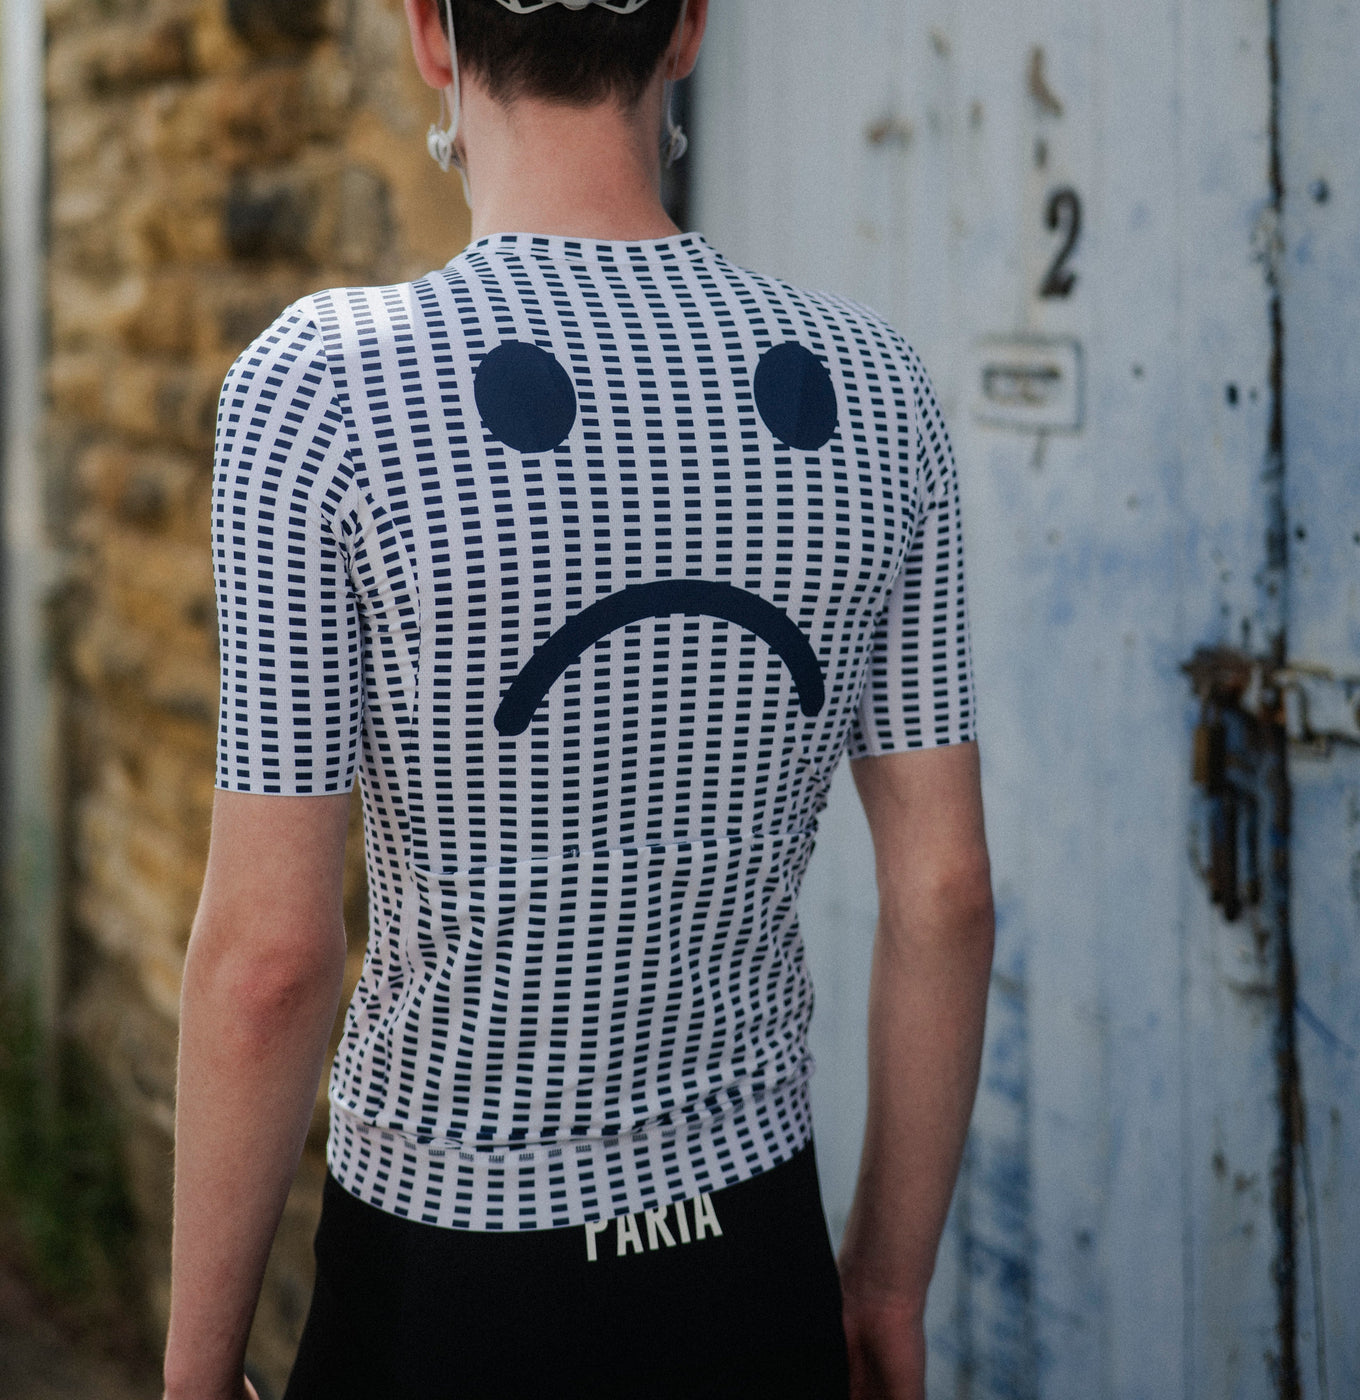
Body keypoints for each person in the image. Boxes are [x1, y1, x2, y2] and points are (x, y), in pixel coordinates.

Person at [162, 0, 995, 1396]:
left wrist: (195, 1372)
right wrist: (890, 1289)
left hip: (450, 1283)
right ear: (684, 30)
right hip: (753, 1256)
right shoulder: (874, 385)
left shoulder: (325, 389)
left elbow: (269, 961)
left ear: (431, 33)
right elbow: (947, 893)